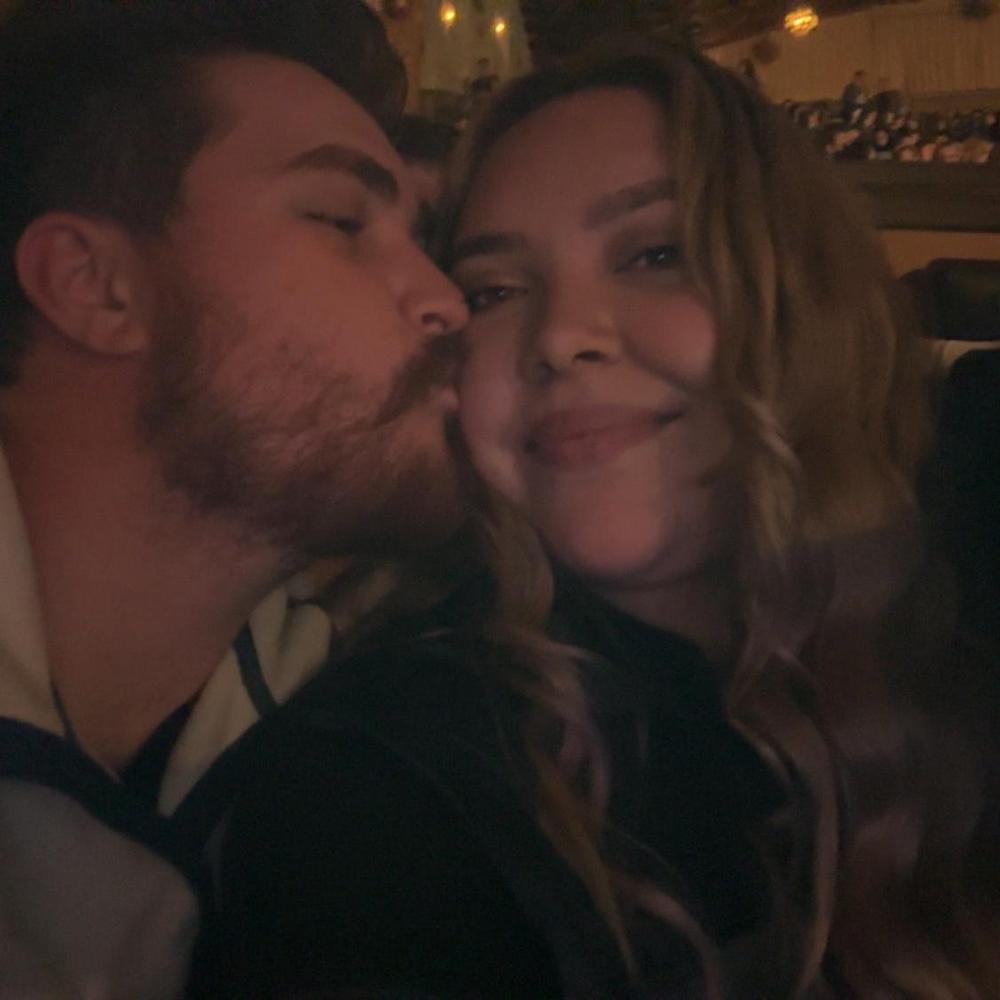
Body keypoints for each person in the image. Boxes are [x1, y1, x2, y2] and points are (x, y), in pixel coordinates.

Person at [208, 42, 998, 1000]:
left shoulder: (950, 635)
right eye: (495, 292)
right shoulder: (376, 789)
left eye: (655, 254)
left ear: (806, 299)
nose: (558, 336)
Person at [0, 1, 468, 995]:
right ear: (95, 286)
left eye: (421, 238)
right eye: (342, 221)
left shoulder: (381, 735)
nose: (445, 302)